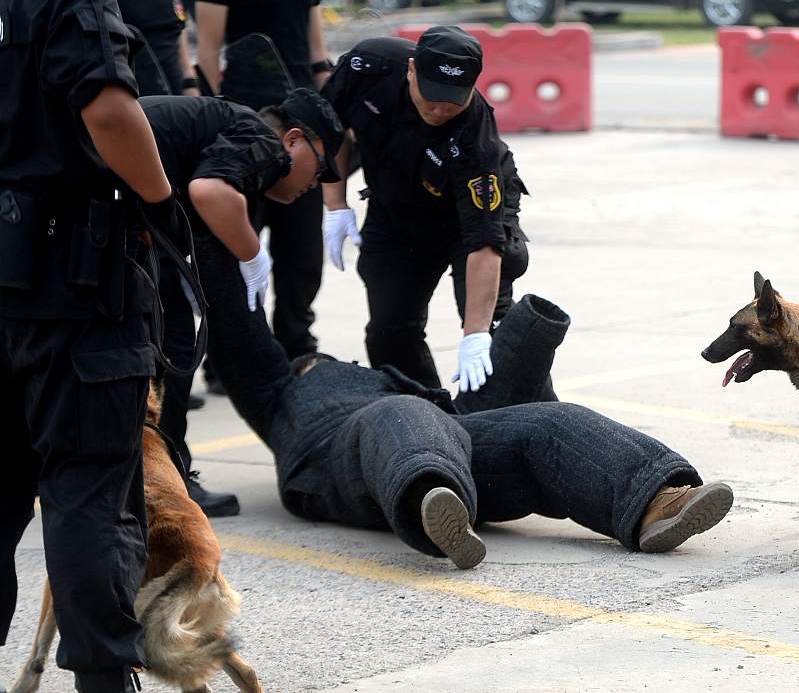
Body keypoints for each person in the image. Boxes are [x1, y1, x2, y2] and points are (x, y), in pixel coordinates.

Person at [194, 226, 733, 569]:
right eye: (315, 361)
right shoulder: (280, 391)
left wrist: (525, 337)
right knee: (400, 413)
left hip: (440, 442)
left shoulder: (390, 384)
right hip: (338, 468)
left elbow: (479, 411)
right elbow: (238, 333)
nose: (324, 361)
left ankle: (655, 503)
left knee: (549, 421)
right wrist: (205, 230)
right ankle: (431, 502)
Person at [0, 0, 181, 693]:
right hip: (72, 291)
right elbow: (109, 109)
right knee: (87, 493)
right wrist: (159, 199)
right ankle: (104, 680)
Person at [139, 88, 343, 518]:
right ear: (293, 140)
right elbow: (208, 192)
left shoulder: (225, 127)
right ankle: (167, 483)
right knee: (173, 347)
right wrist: (253, 255)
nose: (315, 184)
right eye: (320, 167)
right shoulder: (264, 141)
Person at [321, 30, 534, 394]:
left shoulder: (476, 138)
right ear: (411, 70)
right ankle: (427, 415)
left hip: (463, 220)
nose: (439, 110)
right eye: (432, 97)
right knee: (388, 331)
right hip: (395, 210)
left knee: (494, 332)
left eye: (451, 102)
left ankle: (534, 416)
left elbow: (484, 239)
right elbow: (331, 126)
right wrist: (335, 203)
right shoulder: (367, 67)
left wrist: (475, 335)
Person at [194, 0, 330, 362]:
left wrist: (330, 107)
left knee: (302, 249)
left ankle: (297, 346)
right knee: (239, 240)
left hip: (302, 126)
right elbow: (207, 51)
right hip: (247, 123)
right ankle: (232, 353)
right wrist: (218, 115)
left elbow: (315, 47)